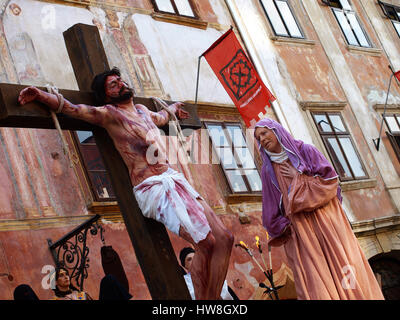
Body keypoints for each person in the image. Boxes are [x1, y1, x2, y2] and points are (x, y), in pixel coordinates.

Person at [18, 67, 234, 300]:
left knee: (225, 239)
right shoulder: (111, 114)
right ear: (107, 95)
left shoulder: (142, 111)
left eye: (120, 80)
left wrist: (172, 109)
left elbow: (161, 117)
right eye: (113, 84)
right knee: (205, 243)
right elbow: (73, 109)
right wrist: (41, 95)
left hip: (174, 179)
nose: (121, 84)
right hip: (153, 187)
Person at [254, 118, 384, 300]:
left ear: (277, 131)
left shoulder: (305, 151)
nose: (262, 139)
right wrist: (287, 226)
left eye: (264, 133)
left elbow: (330, 183)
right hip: (302, 233)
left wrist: (299, 179)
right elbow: (270, 210)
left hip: (327, 223)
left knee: (345, 271)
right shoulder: (268, 172)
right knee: (315, 284)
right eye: (258, 137)